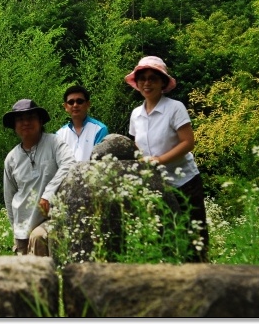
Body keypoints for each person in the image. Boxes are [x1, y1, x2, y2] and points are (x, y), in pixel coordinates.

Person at [124, 55, 209, 262]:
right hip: (156, 184)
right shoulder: (136, 114)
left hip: (185, 181)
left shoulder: (175, 108)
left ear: (163, 82)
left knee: (194, 238)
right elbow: (136, 144)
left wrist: (159, 160)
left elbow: (188, 142)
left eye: (153, 78)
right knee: (163, 237)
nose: (147, 83)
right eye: (142, 78)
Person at [2, 98, 76, 257]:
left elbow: (69, 163)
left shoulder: (54, 142)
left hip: (51, 217)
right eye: (20, 119)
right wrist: (14, 227)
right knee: (25, 275)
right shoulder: (12, 158)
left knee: (38, 238)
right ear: (14, 126)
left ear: (40, 121)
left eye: (30, 117)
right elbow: (9, 196)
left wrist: (48, 194)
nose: (25, 123)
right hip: (23, 225)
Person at [55, 85, 109, 161]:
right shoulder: (60, 135)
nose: (75, 105)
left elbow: (100, 162)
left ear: (88, 104)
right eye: (71, 102)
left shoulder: (99, 130)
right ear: (66, 106)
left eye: (79, 101)